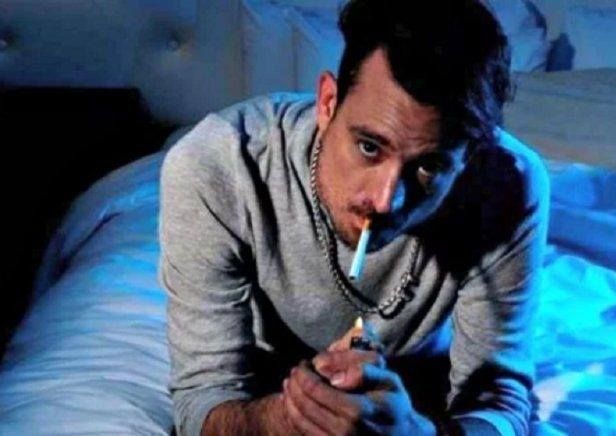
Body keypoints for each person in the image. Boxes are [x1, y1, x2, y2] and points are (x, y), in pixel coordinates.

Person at [159, 0, 550, 434]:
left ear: (470, 157)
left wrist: (415, 434)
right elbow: (202, 399)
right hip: (267, 385)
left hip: (416, 392)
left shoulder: (506, 183)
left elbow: (498, 401)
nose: (385, 201)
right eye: (369, 147)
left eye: (429, 166)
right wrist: (294, 417)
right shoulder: (217, 165)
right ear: (327, 103)